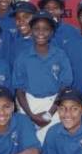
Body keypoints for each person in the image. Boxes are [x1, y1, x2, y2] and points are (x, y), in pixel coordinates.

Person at [13, 11, 73, 142]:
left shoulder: (60, 55)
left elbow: (65, 86)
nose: (41, 33)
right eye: (36, 29)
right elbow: (19, 89)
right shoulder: (23, 57)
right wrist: (30, 115)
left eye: (46, 29)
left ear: (51, 32)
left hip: (55, 104)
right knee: (31, 144)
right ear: (31, 30)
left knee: (54, 142)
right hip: (29, 104)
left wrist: (50, 113)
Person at [7, 1, 37, 67]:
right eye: (17, 18)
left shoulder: (43, 40)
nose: (21, 21)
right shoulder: (12, 39)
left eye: (26, 17)